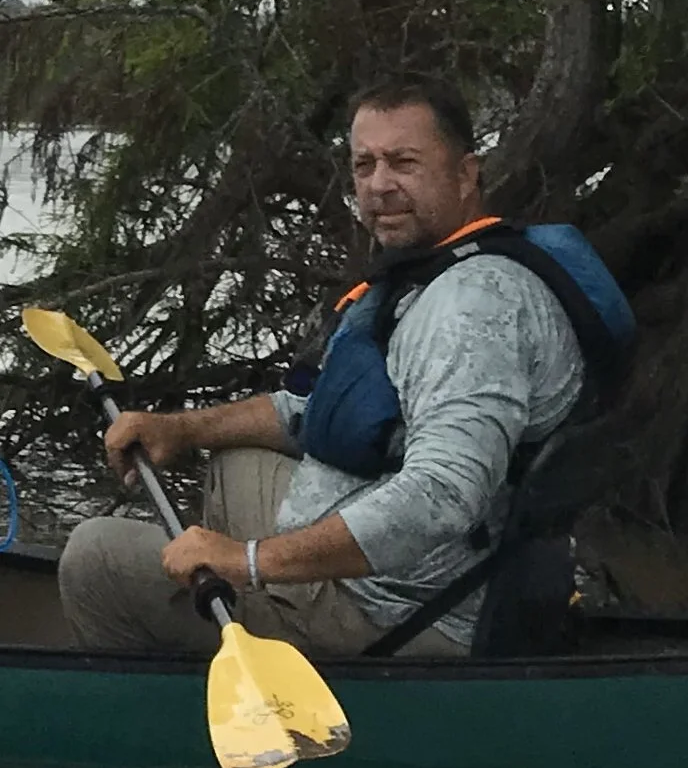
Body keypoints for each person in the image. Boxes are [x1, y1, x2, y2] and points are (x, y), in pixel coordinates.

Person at [58, 75, 584, 657]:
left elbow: (442, 493)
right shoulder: (429, 271)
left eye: (403, 163)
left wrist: (248, 562)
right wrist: (179, 429)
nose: (379, 185)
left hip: (405, 612)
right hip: (394, 567)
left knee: (95, 556)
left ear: (465, 173)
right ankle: (231, 627)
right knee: (238, 455)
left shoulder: (472, 307)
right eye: (364, 166)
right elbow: (315, 413)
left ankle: (189, 708)